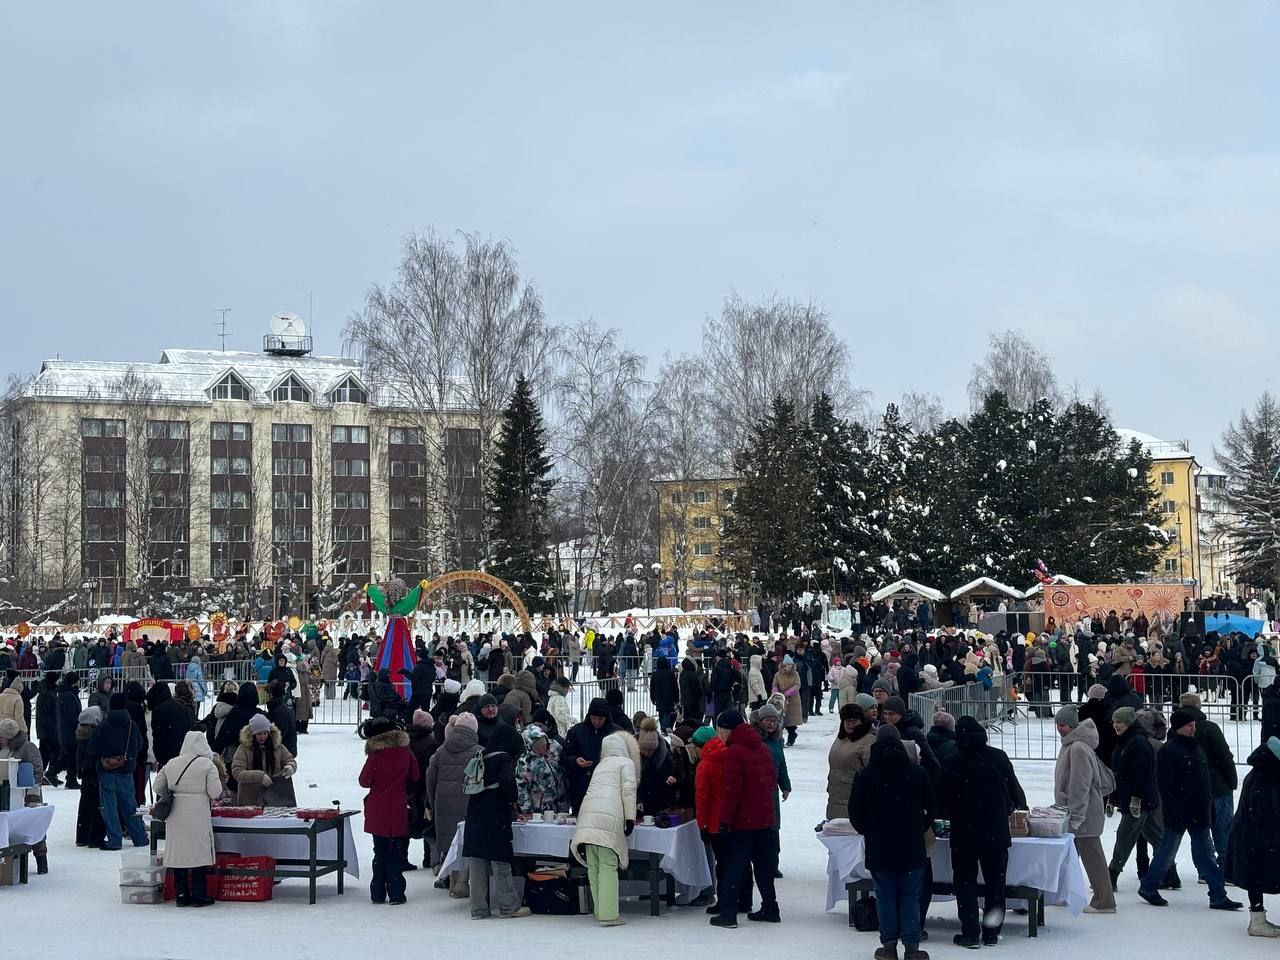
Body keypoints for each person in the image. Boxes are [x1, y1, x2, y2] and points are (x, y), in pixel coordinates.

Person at [1139, 707, 1242, 911]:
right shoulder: (1169, 751)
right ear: (1178, 728)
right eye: (1189, 725)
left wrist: (1208, 806)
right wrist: (1174, 811)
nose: (1193, 728)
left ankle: (1218, 894)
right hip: (1180, 811)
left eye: (1194, 725)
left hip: (1198, 810)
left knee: (1204, 854)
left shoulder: (1195, 747)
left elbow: (1203, 781)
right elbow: (1166, 786)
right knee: (1169, 851)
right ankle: (1150, 886)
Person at [849, 724, 936, 960]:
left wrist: (870, 831)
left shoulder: (865, 775)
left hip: (879, 847)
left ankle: (888, 946)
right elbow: (932, 807)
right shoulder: (917, 773)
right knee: (910, 897)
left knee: (885, 896)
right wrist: (919, 827)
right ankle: (912, 946)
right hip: (911, 846)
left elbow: (855, 813)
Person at [940, 717, 1016, 947]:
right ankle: (992, 933)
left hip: (964, 833)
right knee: (995, 884)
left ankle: (970, 933)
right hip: (996, 831)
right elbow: (1013, 792)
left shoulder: (952, 762)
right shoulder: (999, 757)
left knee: (965, 883)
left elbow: (942, 801)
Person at [709, 709, 779, 929]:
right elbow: (771, 781)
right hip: (764, 818)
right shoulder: (761, 747)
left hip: (744, 820)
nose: (719, 734)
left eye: (720, 729)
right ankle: (770, 908)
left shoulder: (734, 753)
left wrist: (725, 821)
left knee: (734, 866)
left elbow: (732, 792)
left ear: (727, 729)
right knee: (763, 866)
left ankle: (728, 913)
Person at [571, 730, 640, 926]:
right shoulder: (626, 763)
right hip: (608, 816)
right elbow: (628, 792)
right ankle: (609, 915)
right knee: (608, 865)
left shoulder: (601, 765)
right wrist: (630, 818)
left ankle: (600, 910)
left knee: (594, 866)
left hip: (588, 815)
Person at [1052, 706, 1116, 913]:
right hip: (1076, 812)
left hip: (1083, 813)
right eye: (1057, 725)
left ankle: (1104, 901)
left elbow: (1080, 785)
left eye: (1062, 725)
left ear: (1072, 725)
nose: (1059, 729)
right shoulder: (1072, 744)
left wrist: (1077, 814)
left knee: (1093, 856)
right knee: (1070, 856)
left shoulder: (1078, 747)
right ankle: (1062, 893)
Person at [462, 723, 530, 920]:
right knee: (500, 861)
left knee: (477, 863)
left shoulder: (480, 755)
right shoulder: (503, 759)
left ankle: (478, 908)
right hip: (494, 816)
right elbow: (508, 783)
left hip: (475, 814)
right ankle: (508, 906)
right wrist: (514, 802)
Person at [153, 730, 223, 907]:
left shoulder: (171, 763)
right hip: (198, 812)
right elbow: (216, 792)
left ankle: (181, 895)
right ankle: (199, 896)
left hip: (176, 813)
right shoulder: (207, 765)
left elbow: (157, 787)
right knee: (198, 853)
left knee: (179, 852)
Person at [359, 716, 419, 905]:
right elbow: (415, 776)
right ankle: (396, 892)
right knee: (395, 850)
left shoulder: (375, 755)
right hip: (398, 804)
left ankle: (377, 892)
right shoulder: (406, 751)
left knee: (380, 850)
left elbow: (364, 781)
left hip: (378, 806)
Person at [1225, 736, 1280, 937]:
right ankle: (1257, 921)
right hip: (1257, 838)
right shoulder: (1266, 779)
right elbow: (1269, 813)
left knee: (1257, 877)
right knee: (1257, 876)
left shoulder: (1262, 773)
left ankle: (1257, 918)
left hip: (1251, 836)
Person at [1178, 692, 1237, 870]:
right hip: (1217, 785)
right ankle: (1227, 866)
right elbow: (1224, 756)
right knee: (1223, 829)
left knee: (1200, 832)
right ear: (1198, 707)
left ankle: (1204, 869)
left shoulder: (1176, 731)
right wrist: (1232, 781)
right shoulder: (1210, 728)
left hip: (1192, 787)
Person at [1107, 706, 1163, 889]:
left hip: (1139, 800)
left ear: (1129, 723)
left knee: (1124, 837)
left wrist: (1137, 798)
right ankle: (1170, 873)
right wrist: (1113, 798)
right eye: (1114, 721)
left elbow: (1143, 774)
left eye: (1120, 722)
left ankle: (1112, 875)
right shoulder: (1124, 740)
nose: (1116, 725)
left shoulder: (1137, 742)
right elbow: (1119, 774)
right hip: (1134, 798)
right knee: (1156, 838)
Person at [86, 693, 148, 850]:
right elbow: (139, 744)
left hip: (107, 771)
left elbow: (93, 748)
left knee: (109, 807)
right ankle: (139, 837)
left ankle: (114, 839)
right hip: (126, 770)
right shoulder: (131, 725)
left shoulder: (104, 726)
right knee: (130, 806)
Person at [426, 713, 478, 894]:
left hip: (443, 804)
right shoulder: (478, 751)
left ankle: (453, 882)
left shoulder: (440, 751)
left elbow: (430, 780)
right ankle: (462, 884)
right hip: (469, 805)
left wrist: (433, 804)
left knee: (451, 844)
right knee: (466, 844)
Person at [0, 718, 49, 873]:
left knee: (33, 828)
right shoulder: (3, 749)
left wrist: (33, 792)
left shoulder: (28, 748)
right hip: (6, 795)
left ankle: (41, 860)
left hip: (28, 794)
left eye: (2, 737)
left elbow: (37, 770)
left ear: (9, 736)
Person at [561, 698, 619, 813]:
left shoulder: (616, 733)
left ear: (607, 717)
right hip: (581, 787)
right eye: (594, 718)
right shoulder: (576, 731)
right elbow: (565, 756)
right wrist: (576, 760)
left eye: (600, 719)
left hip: (608, 788)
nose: (596, 722)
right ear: (589, 716)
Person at [230, 714, 297, 806]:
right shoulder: (243, 749)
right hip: (250, 800)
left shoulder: (278, 747)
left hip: (275, 798)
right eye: (259, 734)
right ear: (252, 734)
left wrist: (290, 767)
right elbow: (237, 772)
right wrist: (260, 776)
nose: (262, 737)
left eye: (265, 733)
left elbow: (290, 760)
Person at [826, 703, 874, 820]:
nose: (850, 724)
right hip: (835, 797)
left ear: (861, 721)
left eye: (854, 720)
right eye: (847, 720)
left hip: (853, 800)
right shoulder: (842, 738)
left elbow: (872, 774)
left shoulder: (868, 740)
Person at [74, 706, 106, 848]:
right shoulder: (97, 734)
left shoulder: (81, 733)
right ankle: (94, 837)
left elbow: (79, 755)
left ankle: (82, 835)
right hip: (95, 771)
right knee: (97, 805)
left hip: (85, 771)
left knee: (85, 804)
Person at [515, 724, 564, 816]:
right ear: (529, 746)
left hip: (561, 803)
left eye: (543, 745)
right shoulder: (525, 763)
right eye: (537, 748)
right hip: (539, 808)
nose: (542, 749)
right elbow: (521, 788)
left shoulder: (555, 748)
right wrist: (526, 810)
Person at [147, 681, 192, 768]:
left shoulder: (159, 710)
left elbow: (159, 736)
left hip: (167, 757)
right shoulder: (181, 707)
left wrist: (159, 757)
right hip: (182, 754)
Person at [771, 656, 803, 747]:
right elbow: (775, 684)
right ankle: (780, 739)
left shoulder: (795, 674)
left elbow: (797, 685)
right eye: (788, 664)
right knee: (782, 720)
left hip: (793, 699)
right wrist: (775, 692)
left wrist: (789, 692)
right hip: (781, 699)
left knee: (791, 721)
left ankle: (791, 736)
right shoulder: (778, 674)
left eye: (791, 664)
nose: (789, 666)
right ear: (784, 665)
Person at [35, 673, 60, 786]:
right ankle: (50, 773)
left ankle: (40, 775)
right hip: (48, 729)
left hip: (46, 729)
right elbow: (46, 713)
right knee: (55, 751)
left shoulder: (48, 692)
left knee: (45, 753)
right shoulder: (47, 694)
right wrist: (53, 727)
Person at [649, 657, 678, 733]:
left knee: (661, 712)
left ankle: (662, 727)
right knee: (667, 712)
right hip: (669, 697)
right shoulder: (670, 673)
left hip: (658, 696)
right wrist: (676, 698)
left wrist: (652, 697)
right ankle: (665, 727)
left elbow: (652, 687)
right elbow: (675, 687)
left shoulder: (655, 674)